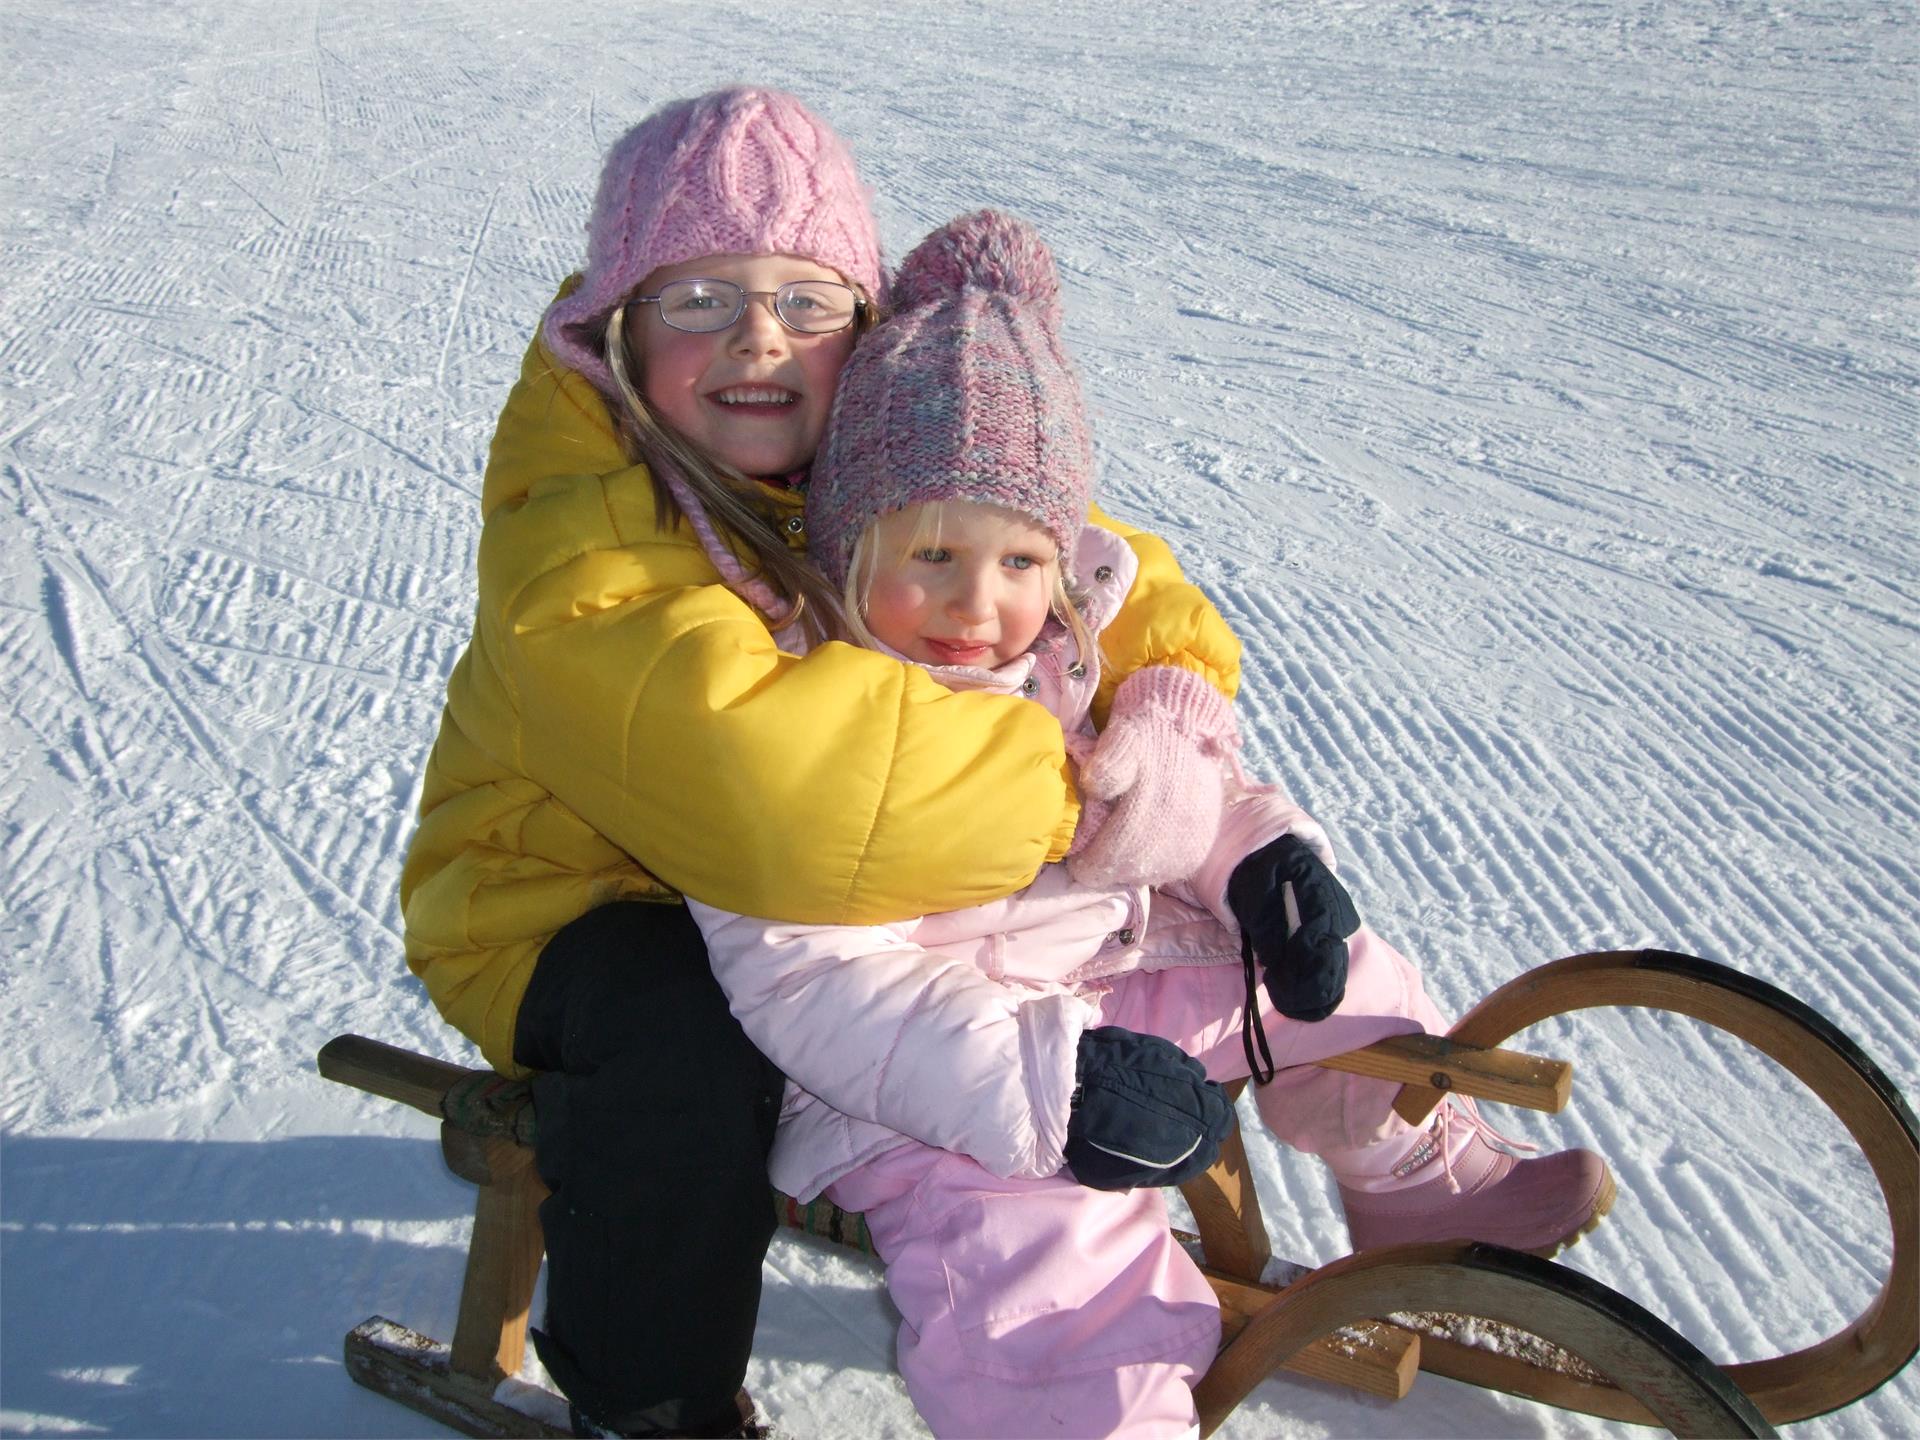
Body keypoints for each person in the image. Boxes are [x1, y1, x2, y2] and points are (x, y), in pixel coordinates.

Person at [398, 89, 1245, 1438]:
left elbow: (1070, 548)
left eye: (807, 300)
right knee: (688, 1033)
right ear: (615, 327)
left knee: (1103, 930)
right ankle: (649, 1391)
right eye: (699, 300)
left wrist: (1165, 702)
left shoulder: (857, 443)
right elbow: (770, 800)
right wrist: (1075, 778)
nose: (758, 339)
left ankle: (1376, 1134)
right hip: (566, 903)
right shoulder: (580, 525)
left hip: (821, 879)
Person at [687, 210, 1616, 1439]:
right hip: (916, 1080)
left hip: (1097, 983)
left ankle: (1418, 1188)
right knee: (1054, 1266)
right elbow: (804, 981)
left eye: (1020, 562)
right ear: (851, 546)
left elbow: (1170, 793)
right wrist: (1051, 1082)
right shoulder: (792, 714)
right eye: (933, 553)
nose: (980, 603)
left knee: (1341, 988)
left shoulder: (1060, 661)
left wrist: (1262, 861)